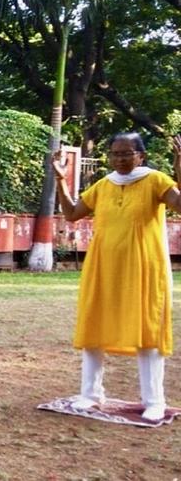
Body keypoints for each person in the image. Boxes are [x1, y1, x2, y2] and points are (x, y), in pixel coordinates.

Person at [52, 132, 181, 421]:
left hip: (144, 268)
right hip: (103, 266)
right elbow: (72, 213)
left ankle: (154, 400)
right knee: (94, 325)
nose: (120, 159)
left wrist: (179, 166)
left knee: (146, 329)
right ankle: (90, 394)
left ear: (141, 156)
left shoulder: (156, 180)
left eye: (127, 153)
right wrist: (61, 179)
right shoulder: (104, 185)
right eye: (115, 154)